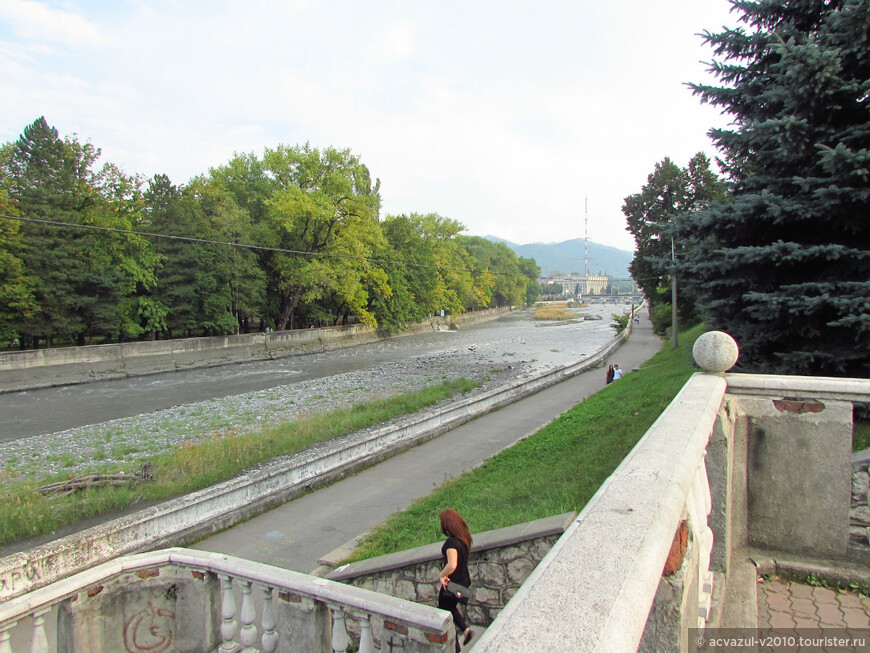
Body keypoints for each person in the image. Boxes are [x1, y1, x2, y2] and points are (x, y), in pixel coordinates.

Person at [438, 509, 474, 650]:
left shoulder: (451, 543)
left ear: (447, 526)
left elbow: (452, 564)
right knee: (450, 609)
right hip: (463, 582)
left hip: (451, 584)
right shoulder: (464, 538)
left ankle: (456, 649)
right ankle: (465, 630)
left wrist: (442, 575)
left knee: (444, 616)